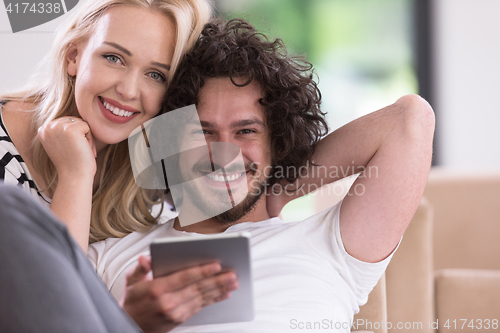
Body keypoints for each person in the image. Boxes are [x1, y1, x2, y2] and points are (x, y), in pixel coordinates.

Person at [87, 19, 435, 332]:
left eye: (246, 132)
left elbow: (409, 120)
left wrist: (279, 186)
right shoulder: (110, 256)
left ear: (278, 142)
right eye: (204, 132)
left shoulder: (331, 246)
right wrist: (128, 323)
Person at [0, 1, 239, 331]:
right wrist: (75, 175)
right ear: (74, 57)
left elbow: (263, 199)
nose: (128, 90)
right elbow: (47, 299)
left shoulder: (160, 157)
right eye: (113, 58)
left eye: (156, 75)